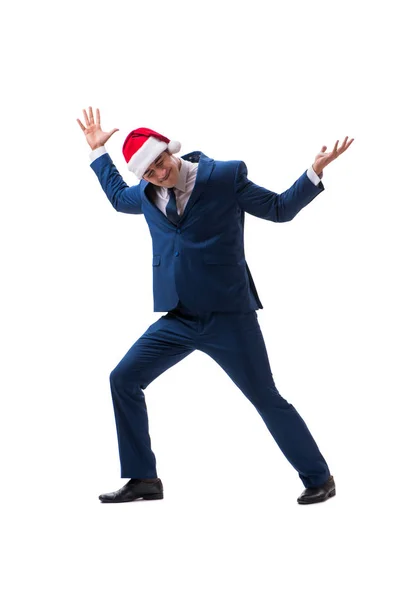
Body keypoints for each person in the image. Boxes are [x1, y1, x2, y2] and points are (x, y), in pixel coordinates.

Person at [77, 106, 354, 505]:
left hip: (229, 316)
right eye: (150, 171)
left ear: (170, 150)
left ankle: (318, 477)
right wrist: (97, 154)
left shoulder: (223, 176)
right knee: (123, 379)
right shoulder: (146, 193)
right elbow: (120, 199)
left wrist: (313, 173)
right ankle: (143, 479)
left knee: (265, 397)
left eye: (161, 162)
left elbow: (279, 209)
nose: (159, 173)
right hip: (180, 316)